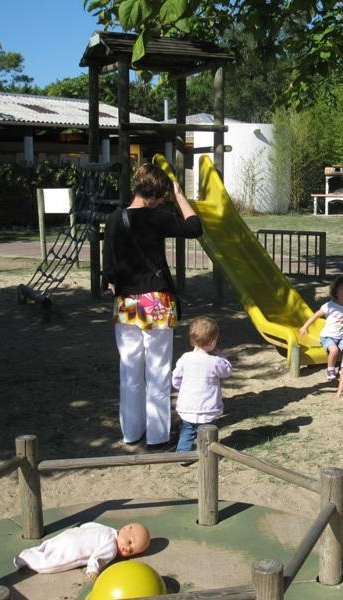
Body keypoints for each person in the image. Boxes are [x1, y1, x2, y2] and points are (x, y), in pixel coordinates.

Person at [102, 163, 202, 449]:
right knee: (158, 372)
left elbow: (107, 268)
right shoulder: (158, 217)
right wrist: (180, 195)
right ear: (158, 194)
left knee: (129, 370)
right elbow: (195, 227)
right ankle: (158, 436)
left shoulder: (114, 219)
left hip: (126, 304)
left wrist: (116, 286)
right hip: (157, 302)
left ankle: (131, 433)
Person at [172, 316, 232, 453]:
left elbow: (176, 378)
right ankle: (207, 454)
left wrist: (182, 388)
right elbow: (227, 371)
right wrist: (223, 357)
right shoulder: (215, 361)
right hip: (207, 407)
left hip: (187, 406)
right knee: (207, 432)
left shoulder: (185, 358)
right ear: (212, 342)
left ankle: (182, 455)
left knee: (187, 430)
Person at [14, 522, 150, 580]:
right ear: (127, 528)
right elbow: (97, 557)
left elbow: (89, 525)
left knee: (49, 545)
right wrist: (93, 570)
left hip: (71, 534)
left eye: (131, 551)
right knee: (51, 564)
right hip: (74, 549)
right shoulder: (112, 547)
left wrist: (79, 530)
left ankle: (27, 553)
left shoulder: (106, 529)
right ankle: (25, 560)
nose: (127, 549)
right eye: (129, 542)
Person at [298, 276, 343, 381]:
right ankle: (330, 370)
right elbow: (315, 316)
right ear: (336, 292)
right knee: (334, 350)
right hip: (328, 336)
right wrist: (304, 327)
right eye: (342, 290)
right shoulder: (329, 306)